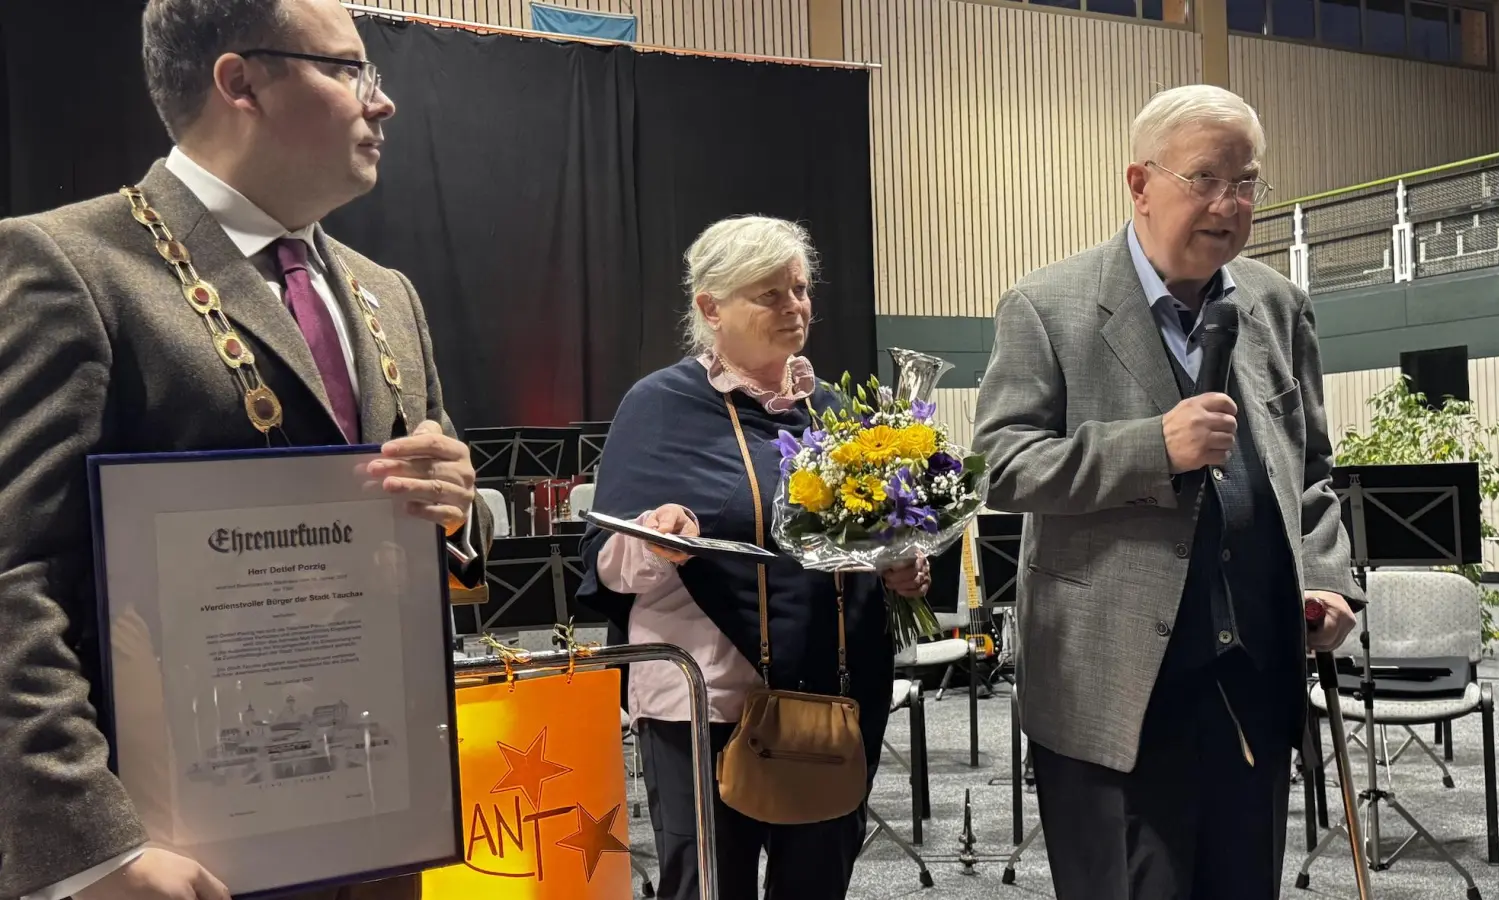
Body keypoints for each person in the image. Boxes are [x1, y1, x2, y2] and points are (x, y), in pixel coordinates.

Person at [0, 1, 491, 899]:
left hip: (378, 824)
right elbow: (11, 574)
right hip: (173, 854)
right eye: (349, 71)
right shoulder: (72, 266)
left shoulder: (389, 295)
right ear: (241, 82)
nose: (380, 103)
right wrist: (90, 849)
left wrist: (457, 505)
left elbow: (449, 516)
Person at [971, 84, 1363, 900]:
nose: (1229, 203)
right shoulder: (1045, 307)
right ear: (1139, 184)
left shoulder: (1280, 306)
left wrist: (1325, 577)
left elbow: (1311, 472)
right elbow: (1001, 465)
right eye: (1205, 179)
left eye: (1247, 181)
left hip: (1252, 682)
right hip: (1112, 688)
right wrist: (1154, 447)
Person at [576, 215, 928, 900]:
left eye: (799, 289)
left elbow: (861, 544)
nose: (795, 307)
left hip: (829, 701)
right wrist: (654, 540)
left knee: (817, 886)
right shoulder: (659, 406)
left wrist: (898, 573)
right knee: (709, 889)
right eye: (769, 295)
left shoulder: (835, 413)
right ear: (711, 307)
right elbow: (605, 563)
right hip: (703, 705)